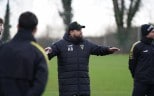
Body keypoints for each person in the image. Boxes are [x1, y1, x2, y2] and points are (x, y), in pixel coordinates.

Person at [45, 21, 120, 96]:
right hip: (67, 91)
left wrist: (108, 49)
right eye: (78, 30)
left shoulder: (86, 44)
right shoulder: (60, 44)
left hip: (84, 90)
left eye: (81, 30)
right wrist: (47, 52)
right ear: (71, 32)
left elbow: (98, 49)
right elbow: (50, 51)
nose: (81, 32)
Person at [0, 11, 48, 96]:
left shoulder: (3, 49)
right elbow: (40, 85)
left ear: (18, 26)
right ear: (35, 30)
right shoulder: (39, 53)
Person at [129, 24, 154, 96]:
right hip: (140, 82)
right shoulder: (137, 46)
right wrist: (138, 77)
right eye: (152, 31)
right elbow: (131, 64)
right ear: (146, 33)